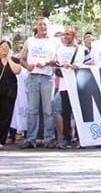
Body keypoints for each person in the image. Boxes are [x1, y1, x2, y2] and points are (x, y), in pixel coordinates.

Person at [20, 17, 61, 149]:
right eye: (40, 25)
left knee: (48, 110)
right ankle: (30, 139)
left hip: (48, 77)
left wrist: (46, 63)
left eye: (45, 25)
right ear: (36, 26)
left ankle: (48, 139)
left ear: (49, 26)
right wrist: (27, 66)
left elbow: (58, 60)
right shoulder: (30, 41)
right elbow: (22, 58)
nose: (43, 27)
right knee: (32, 110)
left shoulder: (55, 41)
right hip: (32, 77)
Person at [54, 26, 86, 150]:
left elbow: (88, 65)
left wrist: (75, 67)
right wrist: (64, 68)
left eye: (68, 34)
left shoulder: (82, 50)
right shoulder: (60, 50)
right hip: (64, 86)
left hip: (79, 85)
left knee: (79, 112)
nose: (66, 37)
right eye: (65, 34)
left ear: (74, 35)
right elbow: (56, 68)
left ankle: (80, 137)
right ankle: (66, 138)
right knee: (66, 113)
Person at [0, 40, 21, 149]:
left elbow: (17, 71)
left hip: (9, 92)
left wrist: (8, 59)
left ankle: (1, 140)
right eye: (2, 47)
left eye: (6, 47)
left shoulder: (14, 60)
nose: (4, 49)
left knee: (6, 116)